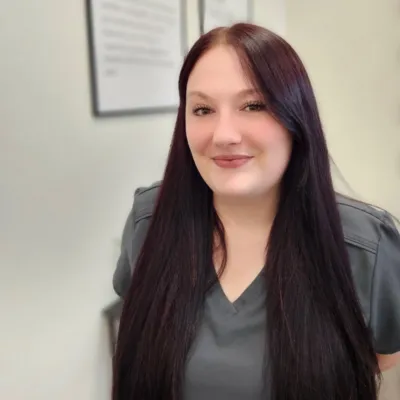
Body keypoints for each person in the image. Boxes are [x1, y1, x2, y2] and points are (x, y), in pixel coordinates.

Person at [112, 23, 400, 400]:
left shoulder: (367, 246)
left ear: (296, 117)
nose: (224, 135)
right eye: (202, 109)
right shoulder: (149, 221)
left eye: (253, 106)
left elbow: (383, 357)